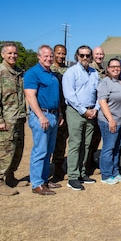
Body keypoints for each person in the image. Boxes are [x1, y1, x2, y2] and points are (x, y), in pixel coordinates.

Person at [0, 42, 28, 196]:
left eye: (15, 53)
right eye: (9, 53)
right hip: (6, 120)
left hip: (19, 117)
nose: (13, 56)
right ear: (3, 54)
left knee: (17, 149)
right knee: (4, 150)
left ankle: (10, 177)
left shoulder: (18, 72)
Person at [24, 45, 63, 195]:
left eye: (50, 56)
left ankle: (45, 179)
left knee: (48, 151)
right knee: (40, 151)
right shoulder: (33, 73)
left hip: (53, 115)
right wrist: (41, 116)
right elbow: (30, 96)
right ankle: (37, 183)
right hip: (41, 116)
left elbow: (56, 96)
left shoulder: (52, 74)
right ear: (39, 57)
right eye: (45, 56)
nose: (49, 59)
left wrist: (59, 113)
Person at [63, 45, 100, 191]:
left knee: (87, 144)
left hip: (91, 111)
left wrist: (95, 109)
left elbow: (99, 92)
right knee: (75, 144)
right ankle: (72, 176)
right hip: (76, 111)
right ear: (77, 56)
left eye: (87, 55)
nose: (85, 58)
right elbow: (69, 95)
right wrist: (83, 111)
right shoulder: (71, 72)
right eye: (82, 55)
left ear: (91, 57)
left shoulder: (94, 73)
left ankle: (82, 173)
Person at [97, 58, 121, 185]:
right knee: (109, 148)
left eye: (118, 66)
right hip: (109, 121)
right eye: (113, 67)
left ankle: (115, 172)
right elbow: (102, 102)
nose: (116, 69)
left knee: (117, 148)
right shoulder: (105, 83)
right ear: (108, 68)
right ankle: (106, 175)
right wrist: (111, 119)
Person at [50, 44, 69, 183]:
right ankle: (51, 168)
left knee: (62, 140)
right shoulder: (48, 69)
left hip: (66, 110)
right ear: (53, 53)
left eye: (63, 54)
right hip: (52, 111)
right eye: (59, 53)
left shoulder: (68, 71)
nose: (61, 56)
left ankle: (58, 166)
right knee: (52, 141)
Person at [86, 46, 106, 176]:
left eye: (101, 54)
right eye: (97, 54)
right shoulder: (89, 69)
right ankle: (85, 164)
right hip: (91, 108)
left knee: (96, 138)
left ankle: (91, 161)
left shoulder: (104, 70)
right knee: (88, 138)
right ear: (93, 55)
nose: (99, 56)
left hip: (101, 109)